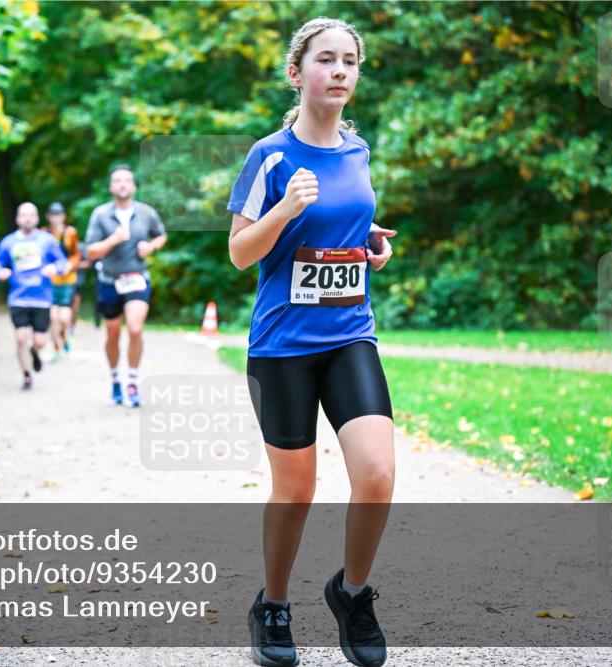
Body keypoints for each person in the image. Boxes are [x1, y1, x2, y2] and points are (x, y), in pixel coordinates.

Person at [227, 17, 397, 667]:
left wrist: (369, 245)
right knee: (295, 490)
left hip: (350, 333)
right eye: (326, 59)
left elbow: (348, 219)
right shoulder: (270, 156)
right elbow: (242, 253)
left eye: (350, 60)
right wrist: (283, 210)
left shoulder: (358, 150)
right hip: (281, 347)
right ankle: (272, 604)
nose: (341, 71)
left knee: (377, 475)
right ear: (297, 73)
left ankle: (352, 592)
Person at [85, 164, 167, 407]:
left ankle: (132, 380)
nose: (122, 184)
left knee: (134, 329)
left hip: (137, 278)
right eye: (117, 181)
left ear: (133, 185)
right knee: (112, 335)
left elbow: (161, 235)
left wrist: (151, 247)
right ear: (111, 187)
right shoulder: (100, 215)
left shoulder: (146, 213)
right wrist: (114, 239)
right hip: (109, 281)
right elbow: (90, 252)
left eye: (126, 180)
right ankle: (115, 380)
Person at [0, 202, 68, 390]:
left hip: (42, 298)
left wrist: (54, 267)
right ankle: (26, 374)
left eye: (31, 215)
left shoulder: (47, 240)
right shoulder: (8, 242)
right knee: (20, 337)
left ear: (36, 218)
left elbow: (62, 262)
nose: (27, 218)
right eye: (24, 215)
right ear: (18, 218)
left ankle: (34, 352)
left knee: (40, 341)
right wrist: (0, 272)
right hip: (18, 298)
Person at [44, 202, 81, 357]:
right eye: (53, 215)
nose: (56, 218)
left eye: (58, 215)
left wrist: (69, 265)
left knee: (64, 318)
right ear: (48, 217)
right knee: (53, 317)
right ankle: (55, 347)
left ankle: (63, 337)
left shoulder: (70, 232)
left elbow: (76, 254)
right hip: (50, 281)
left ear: (63, 216)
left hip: (67, 279)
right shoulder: (43, 234)